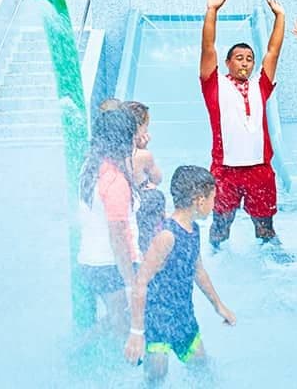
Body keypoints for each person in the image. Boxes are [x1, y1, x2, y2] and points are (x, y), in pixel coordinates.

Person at [124, 165, 236, 385]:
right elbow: (140, 282)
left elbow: (198, 270)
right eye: (213, 198)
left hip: (183, 317)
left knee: (202, 370)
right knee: (156, 377)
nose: (215, 205)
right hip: (158, 319)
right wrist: (136, 332)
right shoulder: (167, 236)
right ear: (199, 200)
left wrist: (218, 305)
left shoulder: (194, 229)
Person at [200, 0, 285, 247]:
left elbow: (273, 51)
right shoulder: (213, 85)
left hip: (259, 168)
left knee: (265, 226)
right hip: (225, 169)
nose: (245, 63)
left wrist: (280, 16)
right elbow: (207, 48)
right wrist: (212, 11)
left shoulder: (260, 85)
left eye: (249, 59)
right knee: (221, 224)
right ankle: (216, 262)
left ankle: (271, 265)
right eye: (239, 58)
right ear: (227, 63)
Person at [76, 109, 140, 334]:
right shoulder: (115, 182)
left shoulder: (91, 167)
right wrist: (132, 283)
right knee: (123, 323)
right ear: (125, 139)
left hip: (92, 260)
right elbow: (118, 237)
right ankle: (79, 351)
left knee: (116, 317)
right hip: (110, 266)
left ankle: (81, 347)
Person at [122, 100, 165, 253]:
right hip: (143, 213)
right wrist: (144, 148)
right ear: (138, 127)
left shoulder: (118, 154)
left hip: (126, 209)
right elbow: (157, 179)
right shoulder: (142, 155)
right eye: (146, 125)